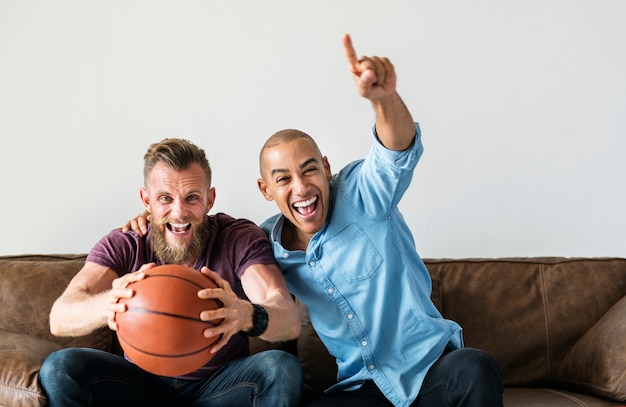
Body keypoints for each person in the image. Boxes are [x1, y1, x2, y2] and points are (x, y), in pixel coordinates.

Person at [126, 34, 503, 407]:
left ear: (326, 168)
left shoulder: (362, 194)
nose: (302, 187)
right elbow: (208, 243)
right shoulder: (265, 245)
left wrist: (383, 99)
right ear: (265, 190)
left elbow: (395, 151)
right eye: (283, 179)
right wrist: (158, 217)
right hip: (362, 388)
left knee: (475, 366)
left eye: (309, 171)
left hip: (431, 371)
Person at [40, 138, 303, 407]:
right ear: (146, 200)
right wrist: (110, 303)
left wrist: (246, 315)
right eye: (165, 198)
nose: (179, 213)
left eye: (192, 198)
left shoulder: (236, 238)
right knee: (61, 368)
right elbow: (60, 317)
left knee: (280, 367)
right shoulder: (127, 242)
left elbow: (288, 317)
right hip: (140, 384)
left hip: (221, 385)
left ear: (210, 199)